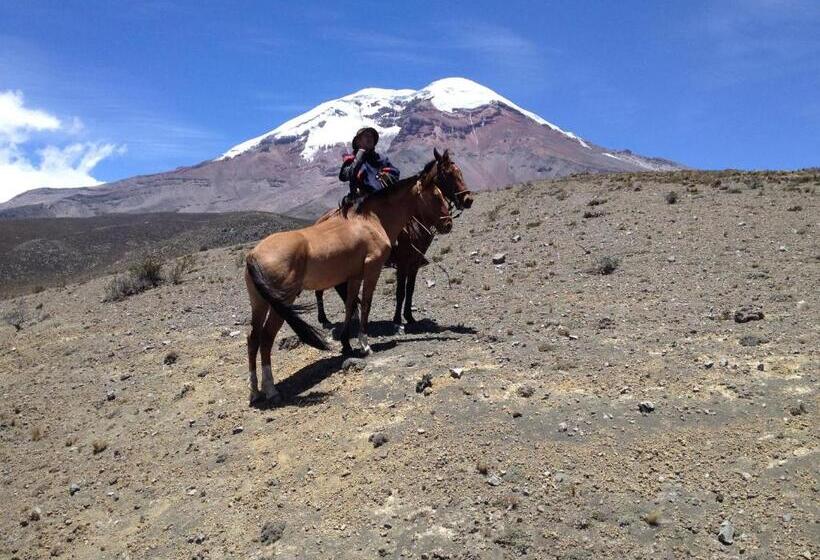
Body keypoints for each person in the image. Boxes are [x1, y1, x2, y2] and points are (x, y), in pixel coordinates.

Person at [338, 127, 400, 209]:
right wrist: (359, 157)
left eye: (372, 137)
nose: (370, 138)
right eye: (367, 136)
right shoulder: (351, 160)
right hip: (360, 201)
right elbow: (344, 176)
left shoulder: (381, 159)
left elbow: (395, 173)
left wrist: (387, 176)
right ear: (358, 141)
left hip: (384, 199)